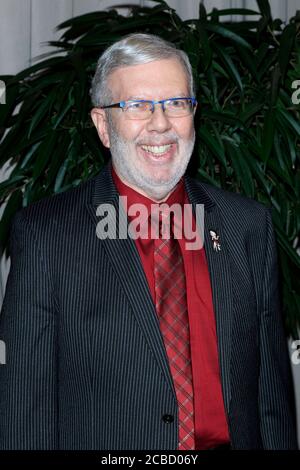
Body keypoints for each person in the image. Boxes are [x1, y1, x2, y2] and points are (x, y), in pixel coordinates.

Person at [0, 33, 297, 450]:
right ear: (103, 126)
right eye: (137, 106)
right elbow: (22, 410)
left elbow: (271, 402)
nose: (160, 124)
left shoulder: (247, 226)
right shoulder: (45, 235)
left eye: (176, 103)